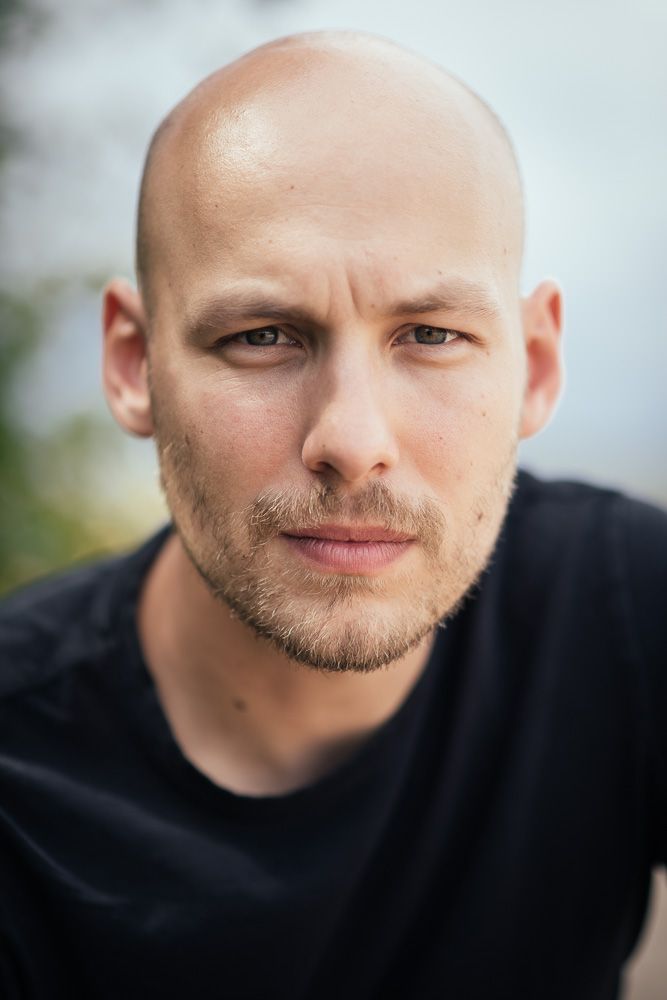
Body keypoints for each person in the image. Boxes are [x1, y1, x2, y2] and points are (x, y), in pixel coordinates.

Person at [1, 30, 665, 1000]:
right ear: (135, 365)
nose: (351, 440)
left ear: (534, 365)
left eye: (430, 334)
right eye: (262, 335)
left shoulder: (624, 611)